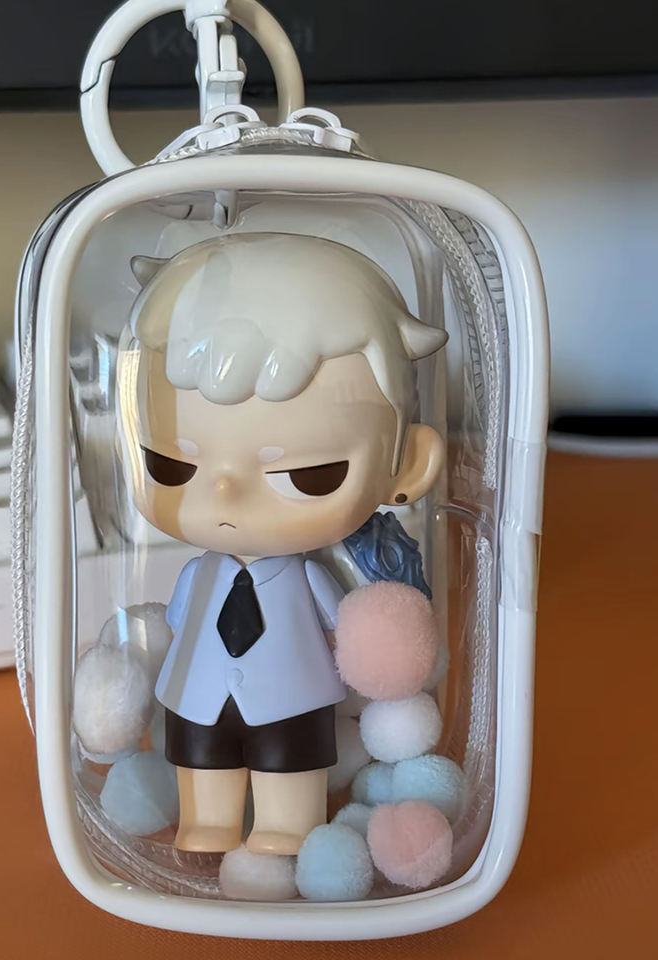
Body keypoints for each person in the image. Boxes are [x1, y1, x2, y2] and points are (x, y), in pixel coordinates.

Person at [116, 232, 447, 854]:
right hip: (197, 697)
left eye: (306, 475)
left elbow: (346, 633)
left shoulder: (314, 576)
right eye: (171, 466)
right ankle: (207, 822)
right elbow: (177, 622)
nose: (226, 494)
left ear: (408, 464)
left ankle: (289, 827)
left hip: (293, 700)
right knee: (201, 765)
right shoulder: (197, 577)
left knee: (289, 770)